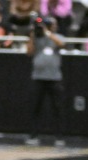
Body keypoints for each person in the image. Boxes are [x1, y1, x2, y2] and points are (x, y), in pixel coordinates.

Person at [25, 16, 66, 146]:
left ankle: (59, 137)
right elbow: (29, 52)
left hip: (54, 78)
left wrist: (48, 34)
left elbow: (61, 44)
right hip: (38, 77)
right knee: (35, 108)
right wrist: (32, 36)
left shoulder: (57, 36)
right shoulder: (36, 37)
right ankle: (33, 135)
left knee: (57, 108)